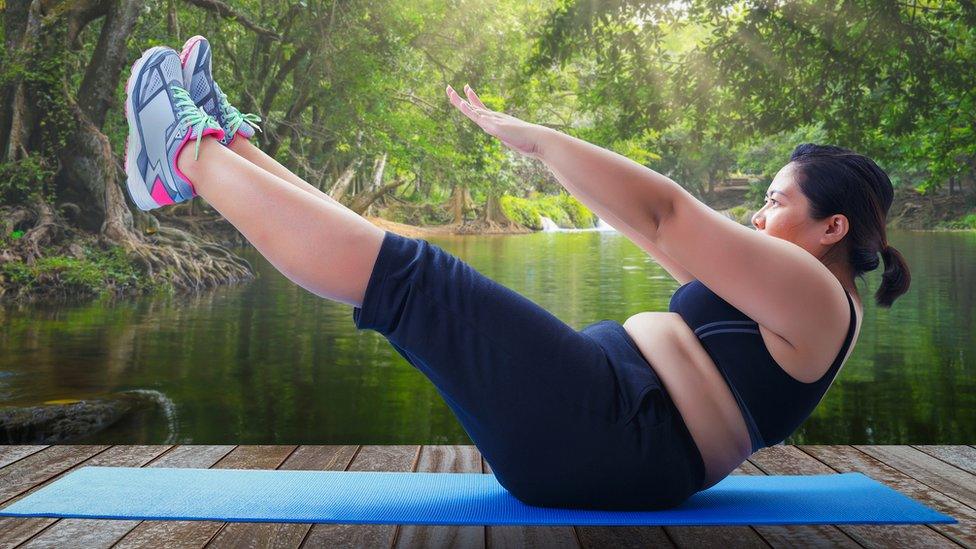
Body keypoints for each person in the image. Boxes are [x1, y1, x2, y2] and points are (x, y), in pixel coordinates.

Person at [123, 37, 911, 510]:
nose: (757, 215)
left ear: (832, 227)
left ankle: (182, 160)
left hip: (615, 438)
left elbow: (667, 211)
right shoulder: (794, 295)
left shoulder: (816, 296)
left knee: (415, 279)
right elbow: (650, 228)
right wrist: (541, 149)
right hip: (607, 423)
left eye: (773, 201)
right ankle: (224, 144)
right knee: (407, 272)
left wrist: (539, 139)